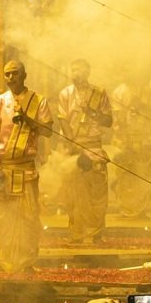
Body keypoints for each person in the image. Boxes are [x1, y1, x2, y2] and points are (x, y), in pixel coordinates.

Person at [0, 60, 53, 272]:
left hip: (26, 169)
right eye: (7, 74)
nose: (10, 78)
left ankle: (26, 263)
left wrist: (29, 120)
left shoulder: (38, 101)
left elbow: (47, 131)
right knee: (1, 216)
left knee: (29, 217)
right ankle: (3, 260)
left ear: (24, 75)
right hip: (4, 168)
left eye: (15, 73)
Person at [57, 59, 113, 243]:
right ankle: (77, 234)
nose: (75, 73)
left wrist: (90, 112)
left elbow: (108, 121)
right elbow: (63, 119)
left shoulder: (99, 93)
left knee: (97, 191)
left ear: (88, 72)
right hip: (73, 147)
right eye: (72, 70)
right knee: (73, 193)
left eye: (78, 70)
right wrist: (71, 142)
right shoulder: (65, 93)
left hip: (94, 145)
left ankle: (96, 233)